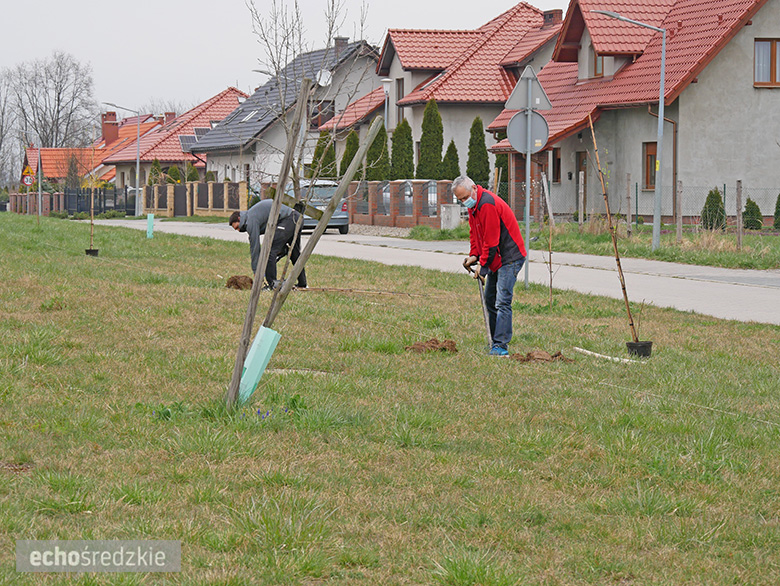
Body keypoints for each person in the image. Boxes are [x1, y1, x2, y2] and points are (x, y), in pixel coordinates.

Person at [452, 175, 526, 356]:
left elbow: (492, 241)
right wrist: (473, 255)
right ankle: (494, 341)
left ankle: (501, 346)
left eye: (465, 197)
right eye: (460, 199)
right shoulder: (474, 207)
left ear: (474, 189)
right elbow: (476, 233)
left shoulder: (487, 204)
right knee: (490, 299)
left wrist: (482, 267)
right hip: (496, 258)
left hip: (509, 257)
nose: (464, 202)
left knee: (502, 301)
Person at [229, 199, 307, 289]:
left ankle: (272, 284)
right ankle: (302, 283)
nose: (239, 230)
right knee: (294, 253)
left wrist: (256, 270)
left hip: (289, 219)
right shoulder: (251, 215)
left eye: (237, 227)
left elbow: (255, 247)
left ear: (239, 218)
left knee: (269, 251)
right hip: (296, 218)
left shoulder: (250, 220)